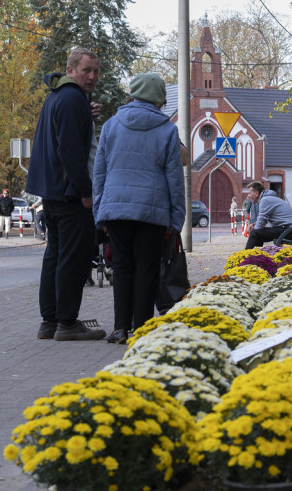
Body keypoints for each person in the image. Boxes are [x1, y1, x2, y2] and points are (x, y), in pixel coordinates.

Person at [94, 73, 185, 344]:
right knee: (147, 267)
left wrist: (100, 213)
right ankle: (142, 329)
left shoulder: (111, 126)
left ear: (132, 94)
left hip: (117, 208)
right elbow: (175, 180)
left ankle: (120, 327)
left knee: (121, 267)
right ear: (159, 100)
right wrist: (176, 219)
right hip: (153, 211)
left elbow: (99, 173)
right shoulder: (168, 130)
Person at [25, 48, 106, 341]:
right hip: (70, 193)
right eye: (86, 70)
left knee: (56, 256)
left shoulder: (59, 95)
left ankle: (49, 321)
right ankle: (67, 323)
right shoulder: (73, 99)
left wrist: (86, 110)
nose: (92, 76)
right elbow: (71, 152)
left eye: (96, 71)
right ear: (71, 70)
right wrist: (86, 192)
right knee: (74, 258)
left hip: (51, 191)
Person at [244, 181, 292, 249]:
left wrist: (255, 227)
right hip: (290, 229)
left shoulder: (265, 200)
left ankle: (248, 257)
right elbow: (262, 220)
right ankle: (255, 256)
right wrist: (254, 224)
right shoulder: (268, 198)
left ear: (256, 193)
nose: (248, 196)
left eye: (249, 193)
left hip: (289, 231)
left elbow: (259, 226)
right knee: (256, 232)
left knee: (255, 233)